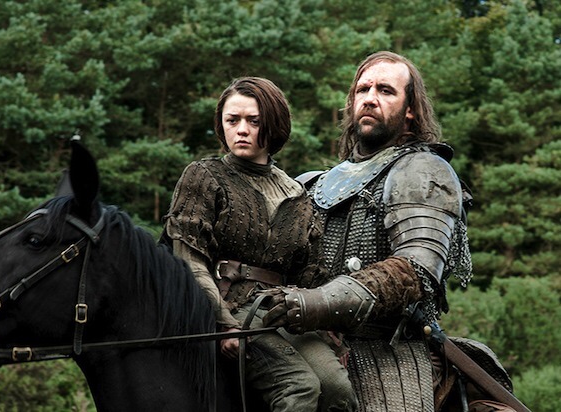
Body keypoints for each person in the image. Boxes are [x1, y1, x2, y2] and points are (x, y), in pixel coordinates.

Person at [262, 51, 475, 411]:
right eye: (363, 89)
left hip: (385, 353)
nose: (370, 98)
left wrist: (315, 303)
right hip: (304, 345)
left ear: (411, 109)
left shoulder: (423, 170)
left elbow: (413, 271)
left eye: (386, 91)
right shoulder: (310, 184)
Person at [162, 77, 357, 412]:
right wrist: (223, 324)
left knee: (338, 389)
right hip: (229, 305)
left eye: (254, 121)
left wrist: (326, 330)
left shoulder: (296, 193)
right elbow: (189, 260)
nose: (241, 130)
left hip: (285, 312)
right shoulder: (204, 176)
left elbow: (311, 274)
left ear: (274, 125)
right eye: (232, 120)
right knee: (299, 387)